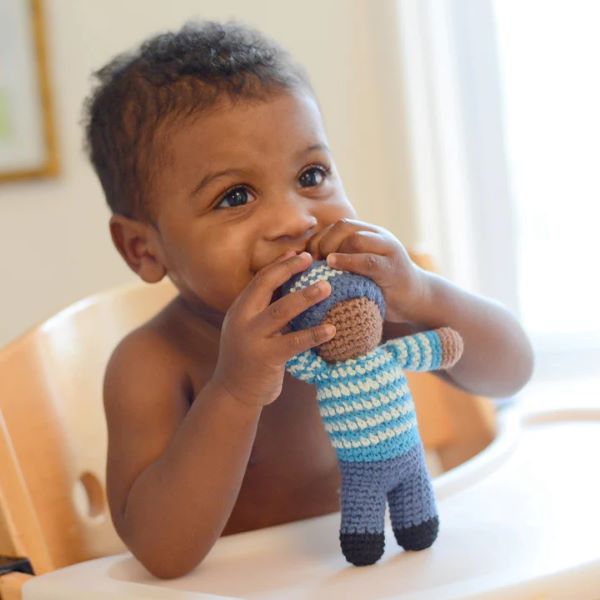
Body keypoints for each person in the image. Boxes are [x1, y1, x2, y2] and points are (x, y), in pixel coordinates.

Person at [83, 21, 533, 579]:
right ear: (143, 249)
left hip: (384, 575)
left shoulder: (362, 307)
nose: (295, 220)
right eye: (236, 196)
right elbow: (163, 553)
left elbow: (512, 372)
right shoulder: (152, 363)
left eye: (311, 174)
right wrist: (236, 389)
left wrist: (422, 293)